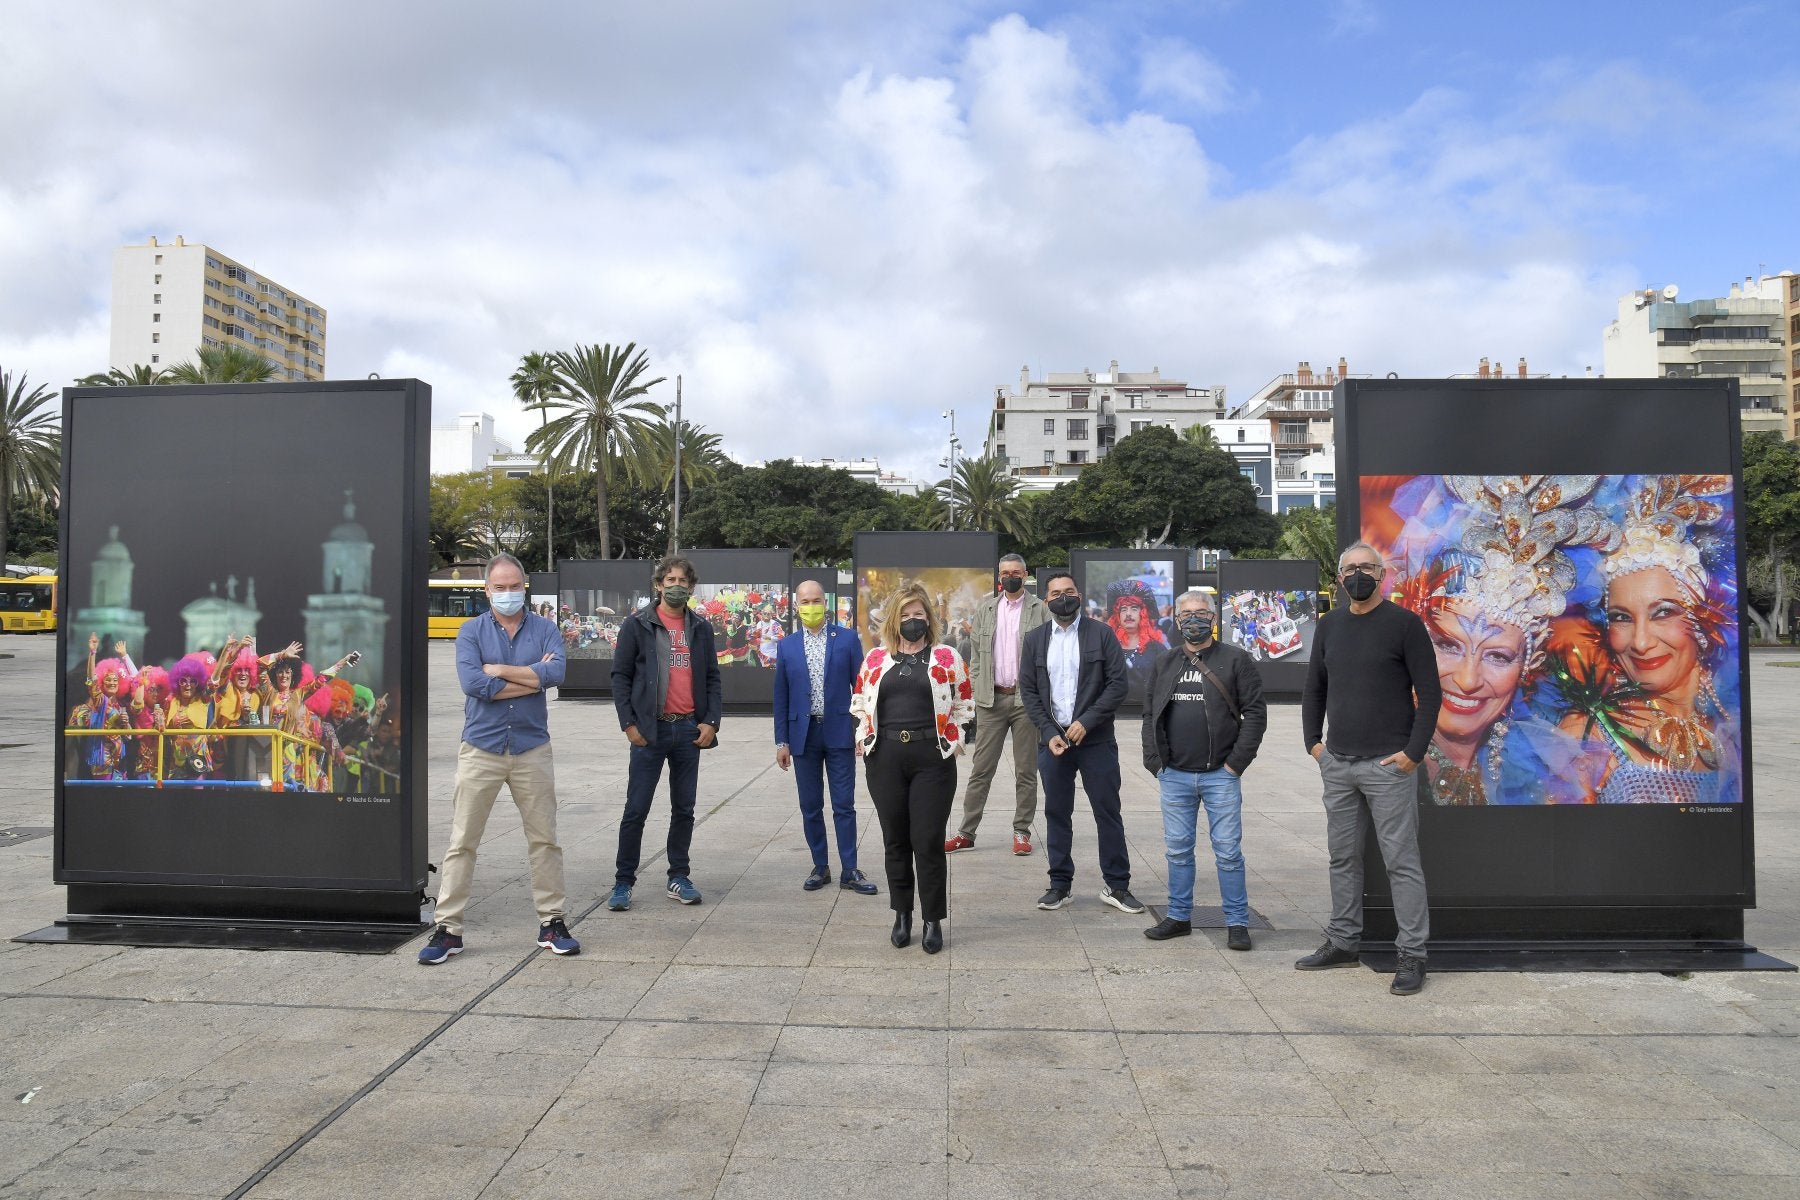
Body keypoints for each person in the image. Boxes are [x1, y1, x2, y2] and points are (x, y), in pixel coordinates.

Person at [1298, 542, 1441, 996]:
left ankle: (1412, 954)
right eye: (1350, 568)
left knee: (1402, 862)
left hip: (1389, 766)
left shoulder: (1405, 625)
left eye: (1366, 567)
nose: (1357, 574)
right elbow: (1314, 688)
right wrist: (1314, 745)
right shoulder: (1330, 625)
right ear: (1339, 578)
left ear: (1382, 574)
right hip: (1338, 763)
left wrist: (1412, 753)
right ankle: (1343, 940)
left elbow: (1430, 695)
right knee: (1342, 857)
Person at [420, 551, 574, 965]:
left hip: (531, 748)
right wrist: (532, 677)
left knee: (545, 840)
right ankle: (449, 929)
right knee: (462, 842)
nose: (508, 593)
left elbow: (557, 674)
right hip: (481, 749)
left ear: (525, 586)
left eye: (515, 586)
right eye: (500, 587)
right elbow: (474, 684)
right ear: (487, 590)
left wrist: (499, 669)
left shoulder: (545, 628)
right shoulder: (471, 631)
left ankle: (552, 922)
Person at [1566, 475, 1739, 804]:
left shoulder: (1734, 720)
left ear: (1702, 616)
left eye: (1663, 612)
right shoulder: (1587, 735)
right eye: (1621, 617)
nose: (1641, 642)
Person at [849, 581, 974, 954]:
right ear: (893, 620)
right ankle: (901, 913)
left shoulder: (948, 657)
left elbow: (965, 702)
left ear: (929, 618)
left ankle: (932, 918)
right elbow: (860, 701)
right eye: (905, 615)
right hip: (885, 758)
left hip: (932, 759)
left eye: (918, 614)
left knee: (928, 840)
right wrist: (864, 737)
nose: (912, 620)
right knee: (896, 839)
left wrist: (955, 740)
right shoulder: (875, 660)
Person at [1141, 590, 1266, 948]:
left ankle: (1237, 922)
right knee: (1178, 850)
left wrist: (1235, 764)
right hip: (1174, 775)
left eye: (1201, 613)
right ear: (1177, 620)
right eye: (1187, 614)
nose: (1193, 620)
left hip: (1220, 776)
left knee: (1228, 852)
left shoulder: (1236, 660)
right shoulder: (1165, 661)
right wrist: (1156, 762)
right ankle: (1178, 917)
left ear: (1213, 618)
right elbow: (1150, 713)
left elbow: (1255, 714)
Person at [1019, 571, 1140, 915]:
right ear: (1046, 600)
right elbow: (1029, 690)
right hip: (1053, 742)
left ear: (1079, 595)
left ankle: (1117, 885)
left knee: (1107, 811)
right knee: (1057, 812)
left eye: (1069, 591)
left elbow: (1117, 685)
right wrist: (1048, 732)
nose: (1063, 598)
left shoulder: (1102, 634)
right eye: (1056, 593)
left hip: (1096, 739)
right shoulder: (1035, 639)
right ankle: (1060, 885)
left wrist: (1087, 721)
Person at [609, 555, 722, 911]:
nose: (676, 586)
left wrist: (711, 721)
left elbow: (712, 677)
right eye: (670, 580)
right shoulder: (637, 625)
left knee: (684, 809)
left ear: (691, 587)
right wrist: (629, 724)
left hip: (688, 729)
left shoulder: (700, 627)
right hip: (649, 730)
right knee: (636, 809)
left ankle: (679, 876)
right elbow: (620, 677)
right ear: (658, 585)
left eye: (682, 581)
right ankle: (623, 882)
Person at [774, 579, 876, 895]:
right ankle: (820, 866)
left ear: (826, 603)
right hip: (802, 735)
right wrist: (781, 741)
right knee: (810, 805)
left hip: (839, 732)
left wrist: (863, 730)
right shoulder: (787, 646)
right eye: (805, 602)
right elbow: (781, 696)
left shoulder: (846, 639)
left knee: (844, 804)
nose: (811, 606)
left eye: (816, 600)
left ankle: (850, 870)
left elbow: (861, 688)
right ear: (796, 606)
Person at [946, 554, 1048, 857]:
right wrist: (977, 687)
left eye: (1016, 572)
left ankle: (1022, 831)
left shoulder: (1040, 610)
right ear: (999, 577)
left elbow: (1047, 654)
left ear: (1025, 575)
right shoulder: (987, 609)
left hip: (1025, 701)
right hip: (991, 700)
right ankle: (966, 832)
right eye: (1005, 573)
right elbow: (976, 656)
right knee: (981, 770)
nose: (1010, 577)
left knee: (1026, 771)